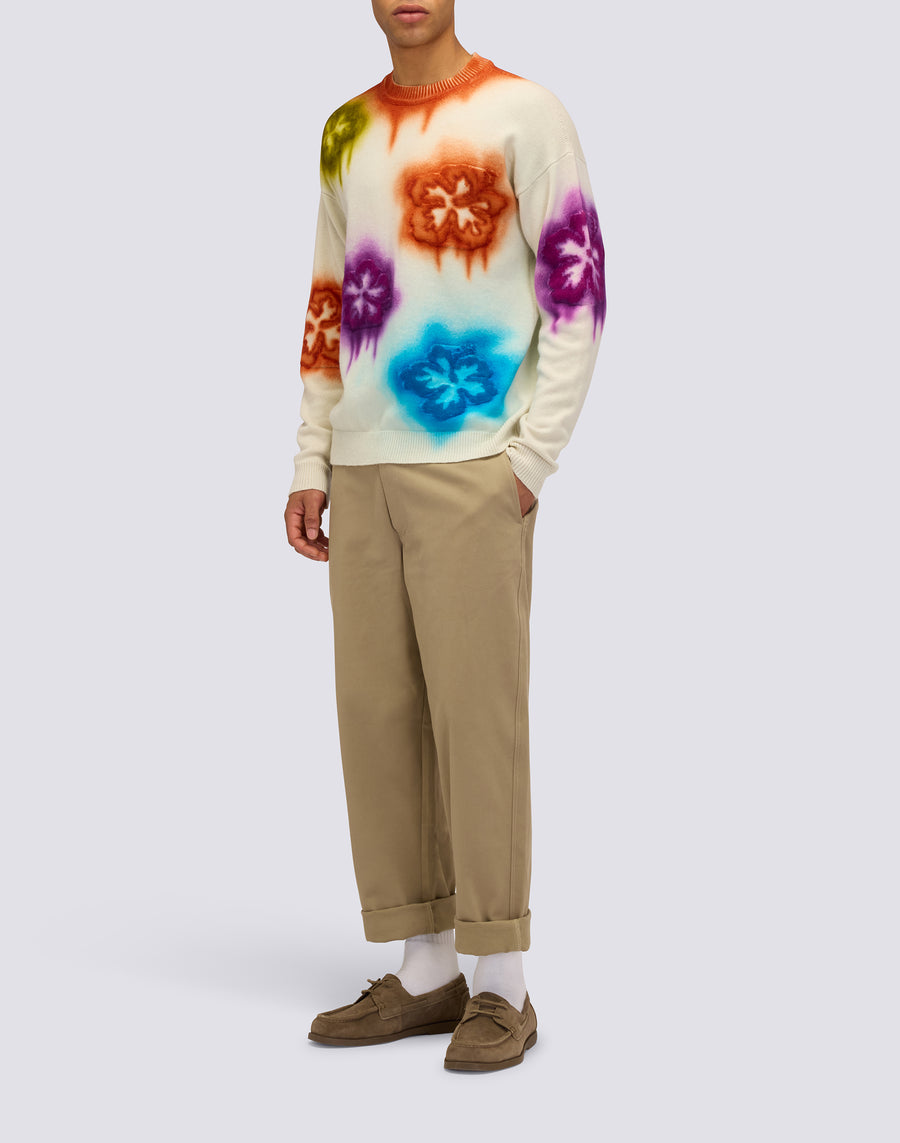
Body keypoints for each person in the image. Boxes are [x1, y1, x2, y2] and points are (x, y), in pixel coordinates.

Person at [285, 0, 606, 1072]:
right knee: (379, 719)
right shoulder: (346, 128)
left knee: (479, 718)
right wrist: (312, 457)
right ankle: (426, 971)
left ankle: (501, 982)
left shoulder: (525, 113)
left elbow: (578, 290)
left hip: (473, 465)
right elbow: (330, 300)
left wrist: (528, 461)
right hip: (363, 464)